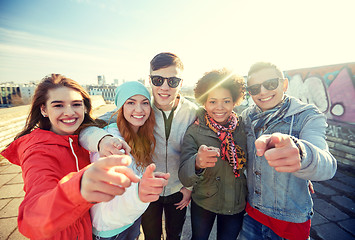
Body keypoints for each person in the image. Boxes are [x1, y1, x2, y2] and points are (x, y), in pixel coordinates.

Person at [0, 74, 140, 240]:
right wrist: (78, 189)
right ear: (43, 109)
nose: (69, 112)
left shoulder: (76, 138)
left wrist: (103, 139)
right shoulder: (37, 152)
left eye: (76, 104)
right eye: (58, 105)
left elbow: (92, 128)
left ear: (85, 108)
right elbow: (32, 219)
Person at [79, 52, 198, 239]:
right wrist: (102, 141)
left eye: (173, 81)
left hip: (177, 188)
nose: (165, 87)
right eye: (158, 80)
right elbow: (89, 127)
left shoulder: (193, 112)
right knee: (151, 236)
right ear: (150, 80)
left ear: (181, 83)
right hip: (146, 188)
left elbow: (198, 148)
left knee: (175, 235)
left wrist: (189, 187)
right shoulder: (141, 105)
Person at [238, 62, 337, 240]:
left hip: (289, 219)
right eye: (254, 88)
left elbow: (327, 165)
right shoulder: (246, 116)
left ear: (284, 84)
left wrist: (302, 155)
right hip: (251, 213)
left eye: (270, 84)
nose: (262, 92)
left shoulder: (307, 115)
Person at [90, 81, 170, 240]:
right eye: (131, 103)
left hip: (131, 219)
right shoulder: (111, 142)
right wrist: (141, 188)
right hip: (110, 227)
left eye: (145, 103)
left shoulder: (142, 136)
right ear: (120, 107)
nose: (139, 110)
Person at [179, 69, 247, 240]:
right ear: (204, 102)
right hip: (204, 203)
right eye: (213, 101)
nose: (219, 107)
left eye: (226, 101)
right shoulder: (194, 131)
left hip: (236, 204)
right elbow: (184, 176)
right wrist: (197, 163)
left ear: (234, 102)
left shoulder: (244, 128)